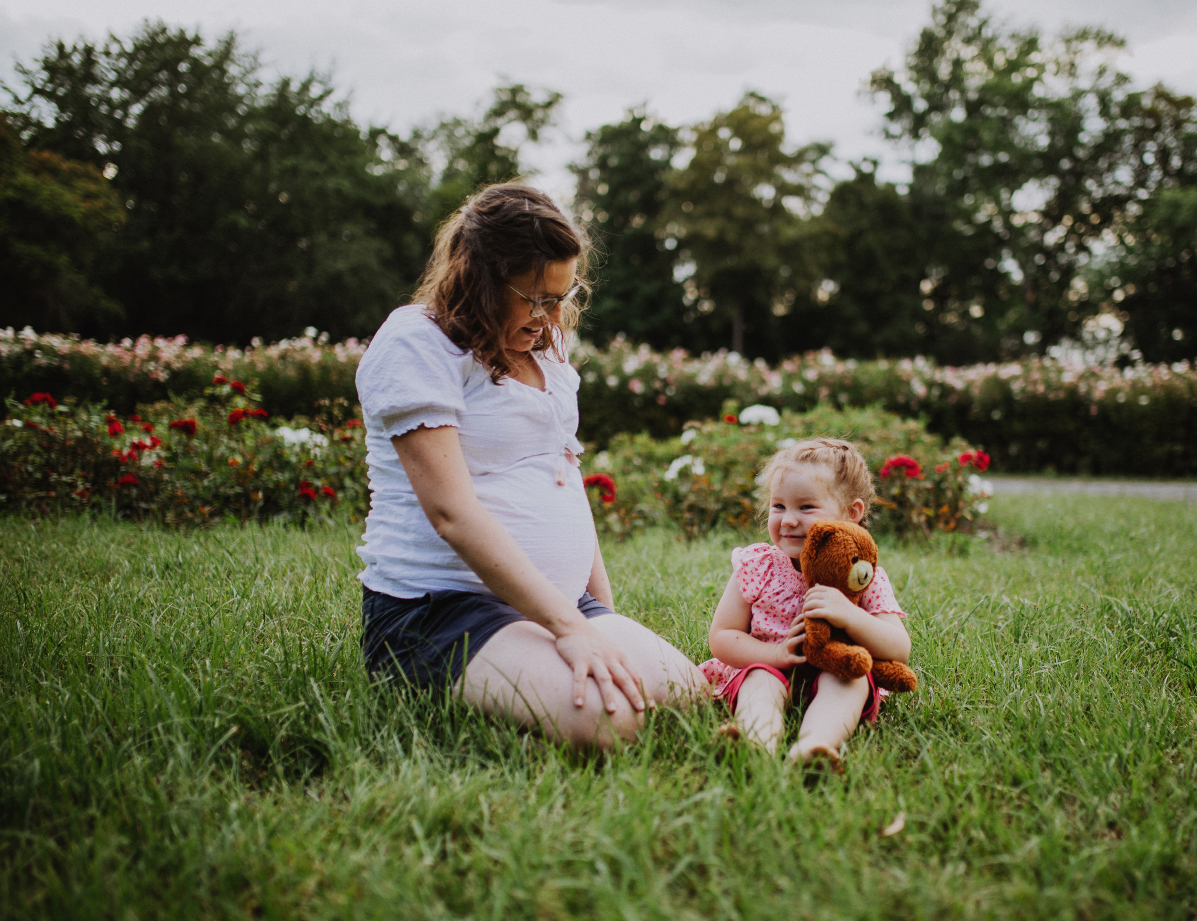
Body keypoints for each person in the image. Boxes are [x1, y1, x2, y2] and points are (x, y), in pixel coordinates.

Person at [355, 182, 705, 749]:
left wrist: (602, 620)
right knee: (610, 721)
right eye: (536, 298)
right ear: (479, 278)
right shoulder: (417, 343)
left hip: (557, 600)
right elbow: (452, 513)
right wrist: (571, 630)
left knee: (686, 692)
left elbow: (561, 473)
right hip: (439, 608)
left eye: (563, 297)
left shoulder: (544, 352)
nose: (550, 318)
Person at [699, 438, 912, 768]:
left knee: (850, 679)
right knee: (760, 681)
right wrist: (775, 654)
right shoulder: (759, 564)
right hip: (769, 667)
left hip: (835, 668)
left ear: (852, 513)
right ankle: (755, 743)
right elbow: (723, 636)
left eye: (806, 507)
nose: (788, 520)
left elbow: (898, 647)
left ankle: (814, 746)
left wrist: (849, 615)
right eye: (778, 506)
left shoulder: (862, 574)